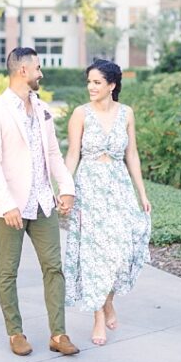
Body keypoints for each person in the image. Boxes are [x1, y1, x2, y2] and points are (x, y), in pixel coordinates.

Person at [0, 47, 79, 357]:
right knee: (8, 270)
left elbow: (52, 154)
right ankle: (15, 332)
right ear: (23, 71)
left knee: (54, 268)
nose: (41, 73)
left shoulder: (42, 107)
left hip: (43, 202)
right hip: (10, 207)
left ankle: (58, 334)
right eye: (37, 68)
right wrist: (7, 204)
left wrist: (66, 187)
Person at [63, 59, 152, 346]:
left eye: (97, 82)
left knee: (119, 253)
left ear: (111, 85)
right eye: (89, 81)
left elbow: (133, 155)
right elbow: (73, 154)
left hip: (119, 189)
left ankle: (109, 301)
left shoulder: (126, 113)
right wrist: (65, 188)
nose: (91, 87)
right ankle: (98, 316)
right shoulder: (80, 114)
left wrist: (142, 193)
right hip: (89, 190)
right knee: (93, 256)